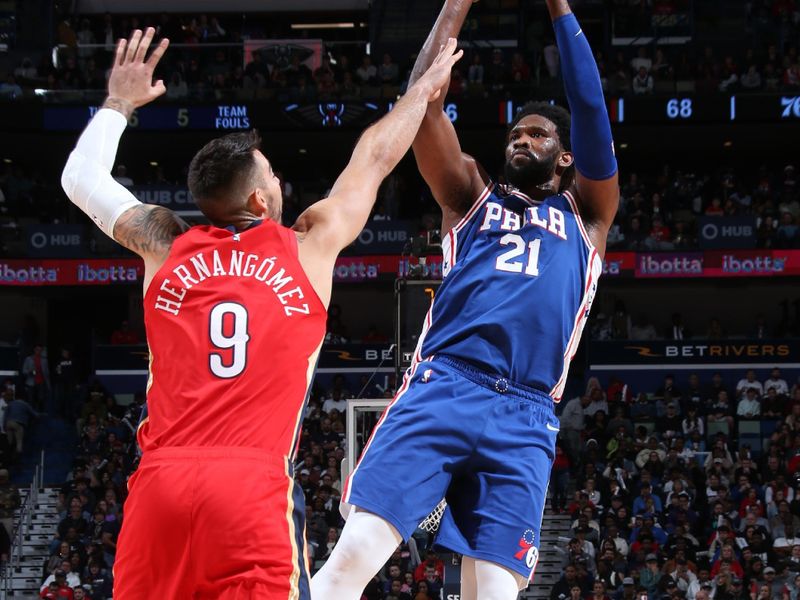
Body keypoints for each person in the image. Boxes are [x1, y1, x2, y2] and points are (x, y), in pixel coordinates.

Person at [60, 27, 462, 599]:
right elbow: (373, 157)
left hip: (160, 485)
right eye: (272, 175)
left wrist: (119, 102)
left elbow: (79, 179)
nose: (280, 181)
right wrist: (420, 95)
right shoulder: (307, 245)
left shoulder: (164, 242)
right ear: (256, 200)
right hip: (249, 486)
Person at [311, 0, 618, 598]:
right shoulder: (470, 194)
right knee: (353, 559)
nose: (522, 141)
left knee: (496, 594)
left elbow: (591, 109)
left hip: (528, 416)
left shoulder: (588, 214)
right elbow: (422, 103)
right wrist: (456, 4)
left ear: (567, 154)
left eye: (538, 134)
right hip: (447, 385)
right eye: (516, 134)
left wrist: (559, 8)